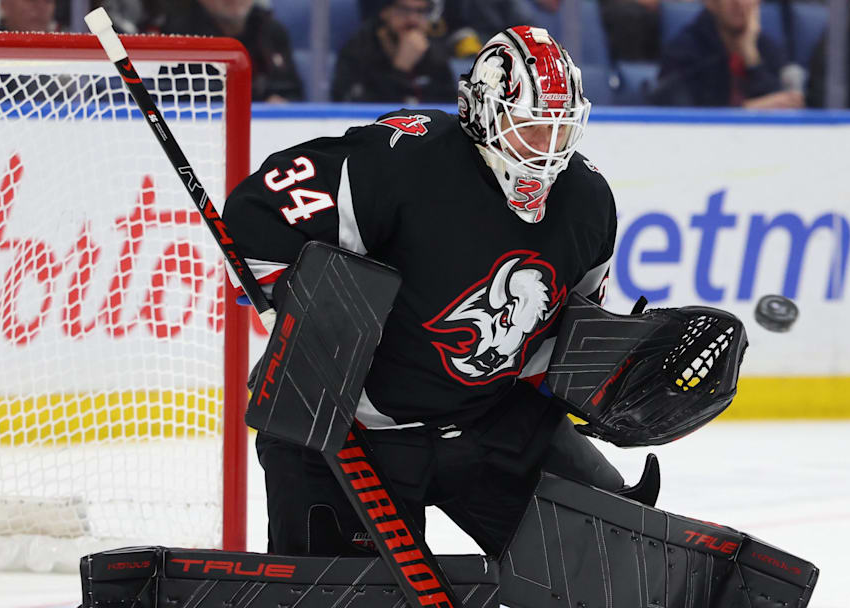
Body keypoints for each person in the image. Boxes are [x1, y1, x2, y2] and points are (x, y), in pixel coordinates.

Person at [225, 25, 634, 558]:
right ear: (482, 114)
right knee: (348, 597)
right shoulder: (404, 161)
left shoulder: (587, 200)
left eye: (560, 132)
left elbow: (568, 327)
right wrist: (302, 308)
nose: (547, 151)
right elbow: (258, 210)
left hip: (487, 422)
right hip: (352, 433)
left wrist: (613, 382)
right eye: (530, 130)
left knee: (620, 559)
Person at [652, 0, 803, 108]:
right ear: (710, 3)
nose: (739, 3)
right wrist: (745, 111)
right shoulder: (685, 49)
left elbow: (781, 104)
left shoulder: (766, 47)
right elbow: (679, 111)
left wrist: (751, 57)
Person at [160, 0, 303, 102]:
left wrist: (280, 101)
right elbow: (173, 95)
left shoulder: (271, 31)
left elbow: (293, 90)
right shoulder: (179, 36)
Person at [331, 0, 455, 103]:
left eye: (420, 11)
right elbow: (350, 107)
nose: (412, 19)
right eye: (403, 10)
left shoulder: (434, 52)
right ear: (385, 11)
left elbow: (448, 106)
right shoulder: (359, 49)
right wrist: (400, 70)